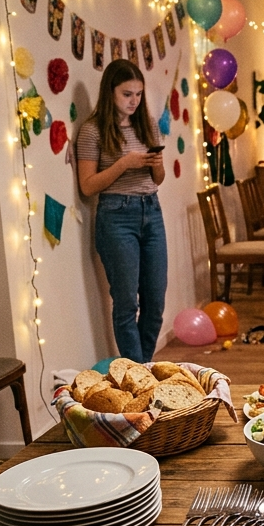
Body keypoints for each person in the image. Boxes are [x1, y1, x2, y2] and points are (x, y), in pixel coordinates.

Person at [75, 59, 167, 363]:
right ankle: (140, 375)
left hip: (151, 210)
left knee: (154, 301)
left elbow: (158, 180)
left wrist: (156, 165)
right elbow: (88, 186)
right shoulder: (92, 131)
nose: (134, 101)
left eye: (138, 94)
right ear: (110, 92)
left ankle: (141, 370)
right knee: (127, 303)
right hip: (117, 216)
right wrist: (123, 164)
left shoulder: (147, 124)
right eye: (127, 94)